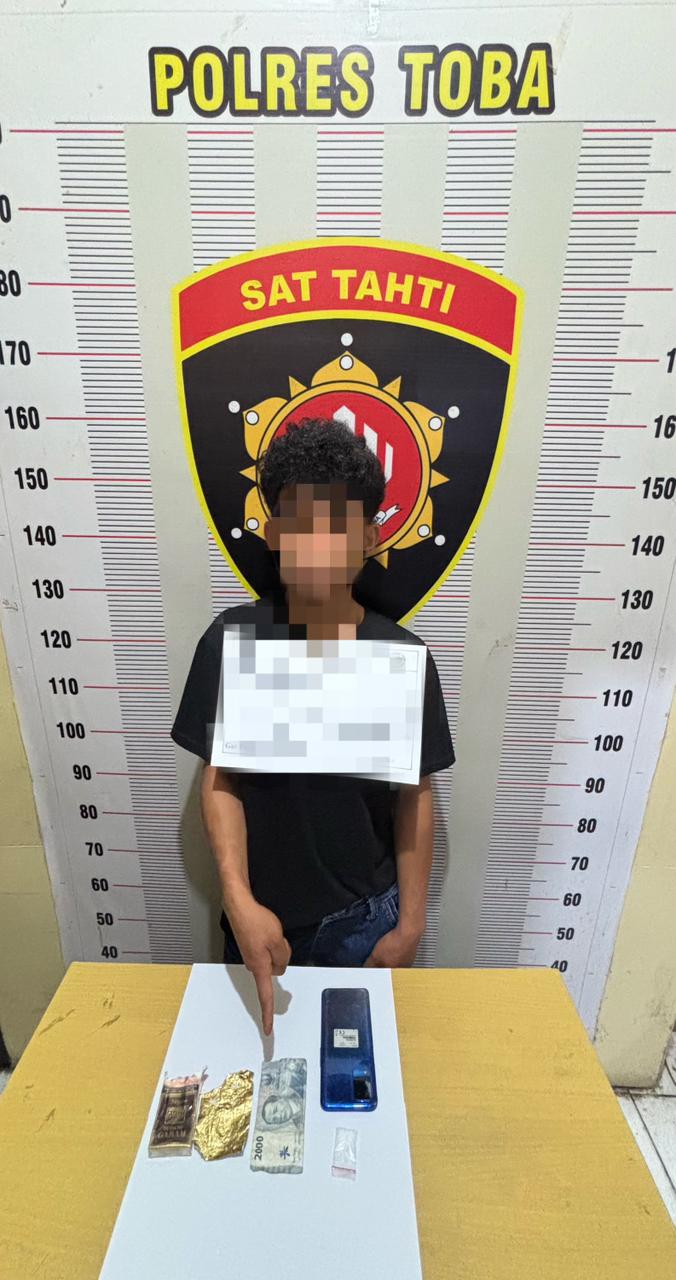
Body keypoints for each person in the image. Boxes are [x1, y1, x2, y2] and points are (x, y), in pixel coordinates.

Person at [171, 416, 455, 1034]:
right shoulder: (233, 642)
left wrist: (411, 924)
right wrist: (238, 900)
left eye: (337, 525)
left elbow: (414, 794)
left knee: (355, 1080)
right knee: (255, 1069)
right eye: (299, 523)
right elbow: (221, 782)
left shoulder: (401, 657)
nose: (317, 544)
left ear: (370, 536)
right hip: (256, 919)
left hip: (364, 925)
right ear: (273, 532)